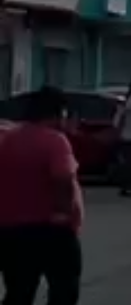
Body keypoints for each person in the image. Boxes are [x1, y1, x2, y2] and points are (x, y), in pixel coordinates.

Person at [0, 87, 82, 305]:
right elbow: (63, 179)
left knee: (18, 291)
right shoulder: (55, 141)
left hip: (10, 230)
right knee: (64, 289)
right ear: (58, 113)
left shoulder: (9, 139)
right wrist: (63, 214)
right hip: (50, 229)